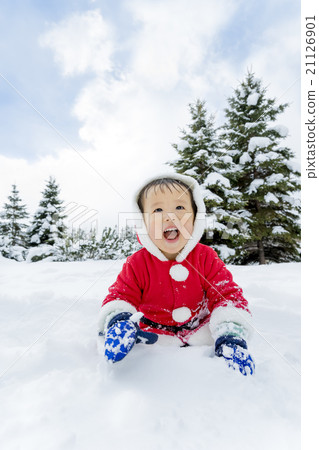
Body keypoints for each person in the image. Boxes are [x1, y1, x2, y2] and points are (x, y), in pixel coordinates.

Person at [98, 173, 255, 375]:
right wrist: (118, 321)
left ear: (196, 217)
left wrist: (230, 334)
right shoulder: (137, 263)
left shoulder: (206, 258)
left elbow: (228, 297)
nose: (170, 216)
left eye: (180, 207)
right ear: (143, 223)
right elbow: (120, 296)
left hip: (201, 333)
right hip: (154, 339)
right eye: (157, 209)